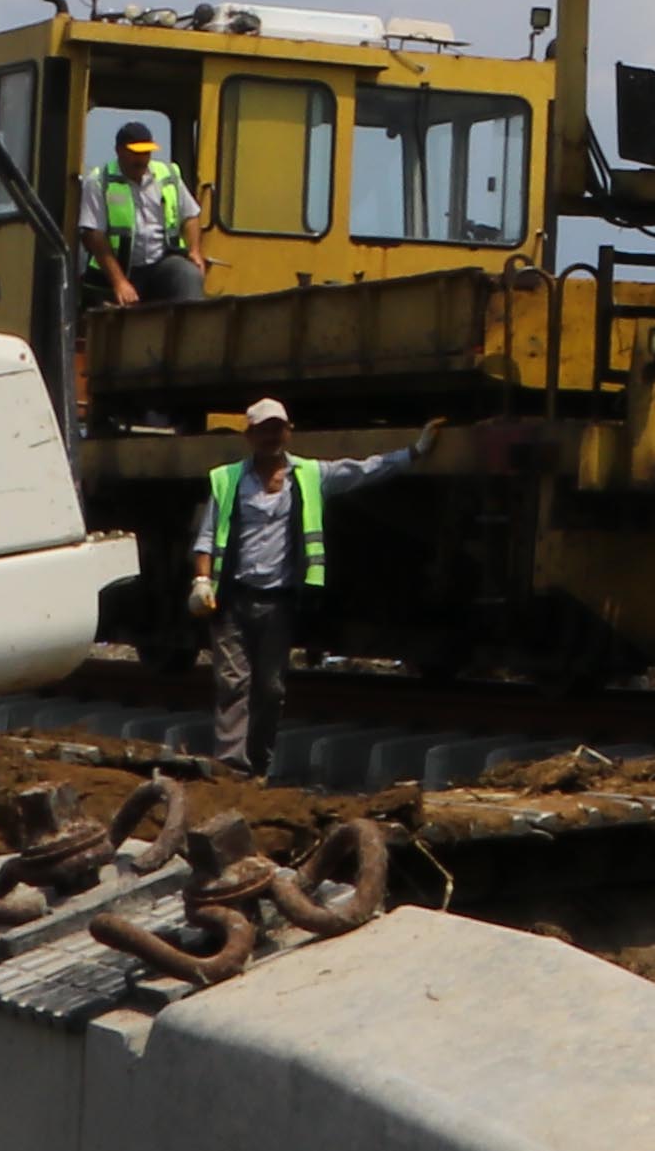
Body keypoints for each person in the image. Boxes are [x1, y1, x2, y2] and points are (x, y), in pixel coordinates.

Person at [184, 394, 413, 775]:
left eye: (278, 428)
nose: (271, 436)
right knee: (233, 684)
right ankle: (230, 767)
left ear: (288, 432)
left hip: (278, 602)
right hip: (233, 600)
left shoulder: (309, 475)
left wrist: (413, 454)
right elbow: (207, 536)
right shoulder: (227, 480)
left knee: (271, 690)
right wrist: (202, 579)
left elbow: (364, 470)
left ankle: (257, 764)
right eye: (263, 430)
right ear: (250, 436)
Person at [87, 117, 208, 307]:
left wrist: (194, 251)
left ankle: (192, 331)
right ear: (119, 151)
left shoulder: (167, 175)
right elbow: (94, 235)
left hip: (161, 263)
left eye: (146, 152)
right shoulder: (99, 181)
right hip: (122, 267)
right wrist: (119, 282)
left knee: (188, 274)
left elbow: (190, 216)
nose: (142, 159)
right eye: (136, 153)